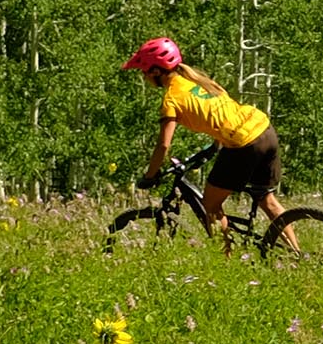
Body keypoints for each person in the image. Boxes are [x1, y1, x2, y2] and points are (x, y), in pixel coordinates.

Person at [123, 37, 298, 253]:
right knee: (267, 200)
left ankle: (226, 261)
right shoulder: (199, 81)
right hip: (264, 129)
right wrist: (213, 147)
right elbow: (222, 112)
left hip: (243, 143)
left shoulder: (171, 99)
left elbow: (163, 146)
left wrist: (150, 176)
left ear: (156, 71)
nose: (144, 77)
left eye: (144, 71)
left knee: (211, 205)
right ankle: (298, 255)